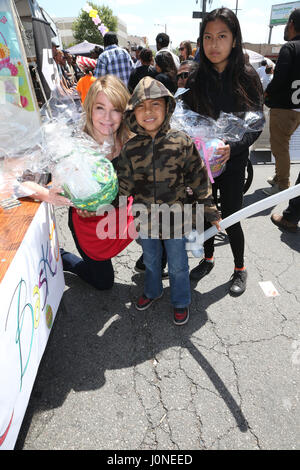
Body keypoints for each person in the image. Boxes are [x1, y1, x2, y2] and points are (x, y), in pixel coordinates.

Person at [117, 77, 221, 325]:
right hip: (147, 220)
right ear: (133, 112)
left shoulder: (181, 142)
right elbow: (123, 185)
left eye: (155, 104)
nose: (148, 112)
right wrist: (106, 205)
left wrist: (212, 212)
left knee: (178, 264)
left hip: (177, 219)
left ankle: (181, 301)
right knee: (151, 261)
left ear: (167, 107)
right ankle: (152, 291)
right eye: (141, 106)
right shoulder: (130, 149)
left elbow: (200, 180)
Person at [22, 75, 134, 291]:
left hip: (122, 216)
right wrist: (49, 195)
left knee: (163, 222)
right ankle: (63, 257)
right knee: (103, 283)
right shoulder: (70, 146)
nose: (108, 117)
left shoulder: (132, 142)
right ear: (90, 107)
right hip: (88, 228)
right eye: (100, 108)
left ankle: (152, 260)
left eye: (116, 109)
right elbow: (20, 181)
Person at [183, 7, 263, 296]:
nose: (213, 44)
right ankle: (207, 259)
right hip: (202, 164)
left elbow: (256, 123)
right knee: (205, 212)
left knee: (230, 214)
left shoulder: (246, 76)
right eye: (207, 37)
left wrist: (234, 147)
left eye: (221, 36)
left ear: (234, 39)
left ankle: (240, 268)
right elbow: (186, 120)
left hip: (234, 160)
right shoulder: (195, 78)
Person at [263, 8, 300, 195]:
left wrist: (266, 92)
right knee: (281, 146)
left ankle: (282, 185)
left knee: (280, 147)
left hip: (284, 108)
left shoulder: (289, 47)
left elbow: (280, 78)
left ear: (292, 24)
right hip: (298, 108)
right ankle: (279, 177)